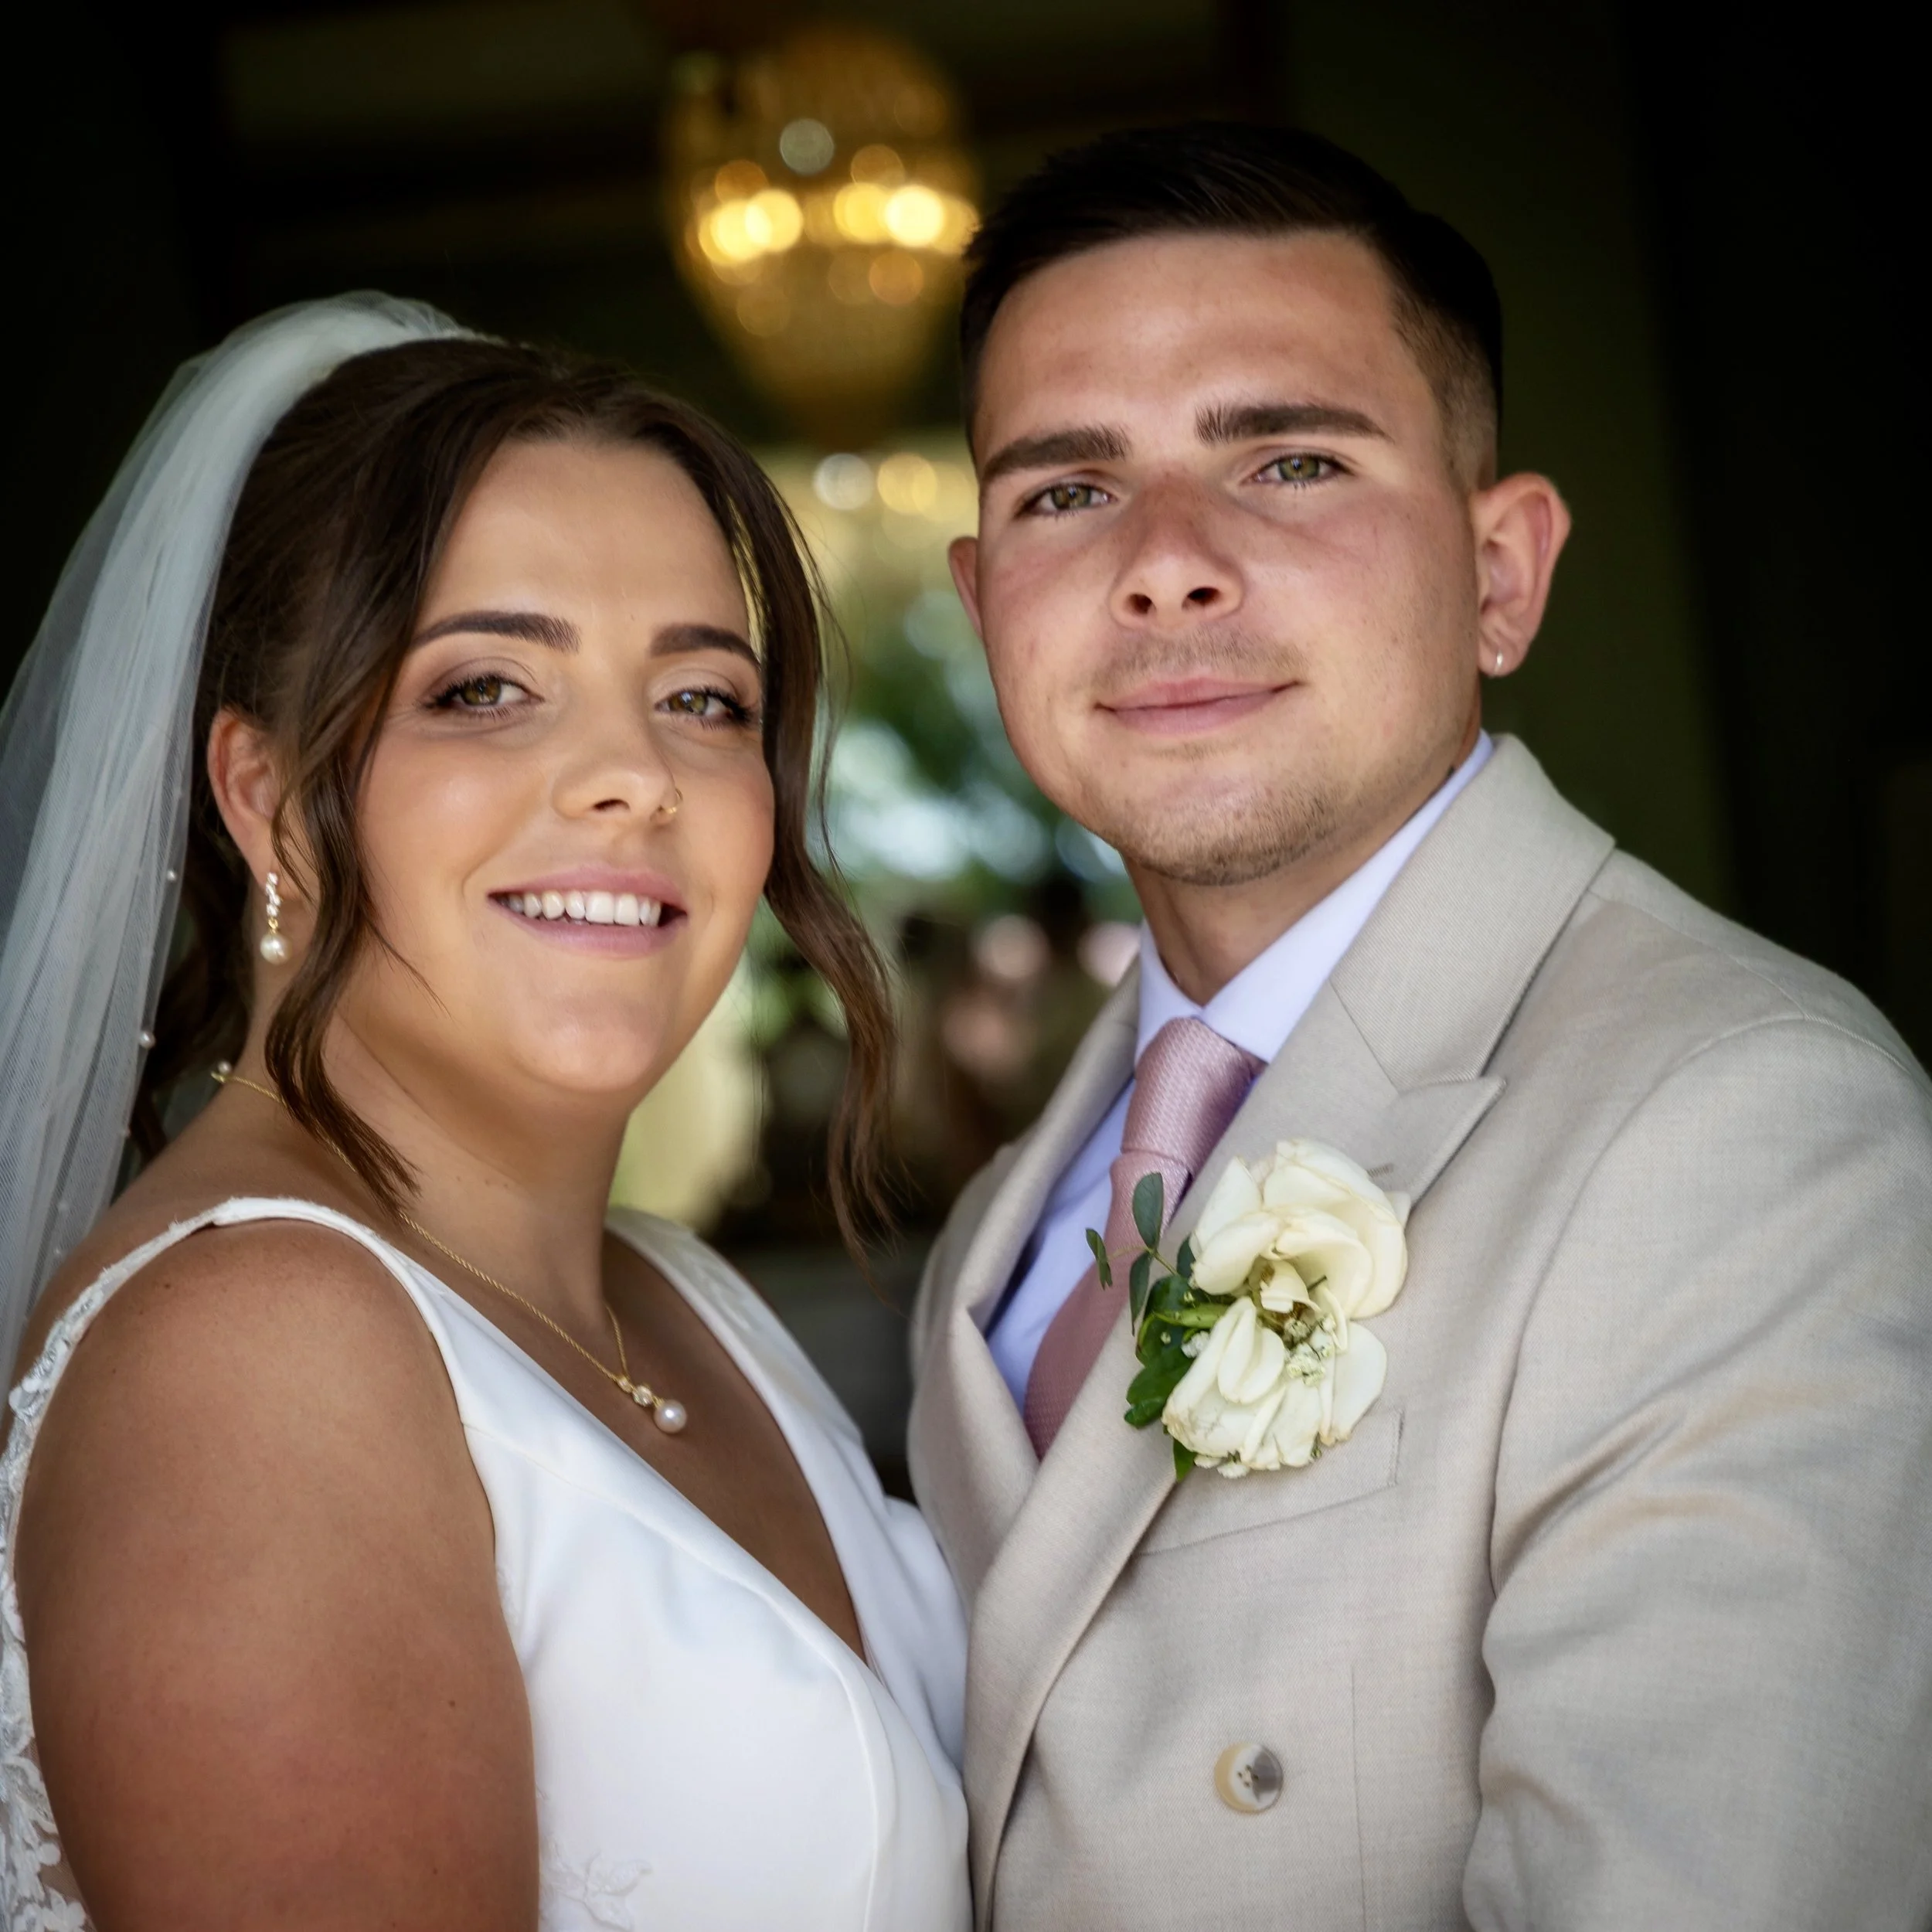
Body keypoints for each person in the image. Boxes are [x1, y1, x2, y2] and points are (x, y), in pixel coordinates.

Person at [906, 122, 1932, 1929]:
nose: (1163, 565)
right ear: (985, 604)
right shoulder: (1007, 1214)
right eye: (1065, 491)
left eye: (1288, 460)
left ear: (1501, 571)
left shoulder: (1741, 1124)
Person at [0, 296, 968, 1931]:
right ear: (262, 794)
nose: (631, 776)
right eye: (485, 687)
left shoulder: (683, 1295)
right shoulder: (252, 1355)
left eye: (704, 699)